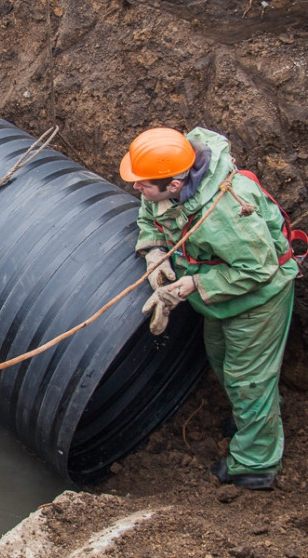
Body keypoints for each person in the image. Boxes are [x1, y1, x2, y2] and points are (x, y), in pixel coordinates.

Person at [119, 126, 299, 490]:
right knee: (220, 358)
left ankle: (255, 465)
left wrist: (191, 284)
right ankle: (259, 414)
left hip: (256, 298)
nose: (137, 188)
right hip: (218, 298)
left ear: (174, 185)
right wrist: (154, 251)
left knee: (247, 378)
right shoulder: (167, 169)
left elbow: (259, 269)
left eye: (143, 184)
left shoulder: (227, 211)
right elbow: (150, 213)